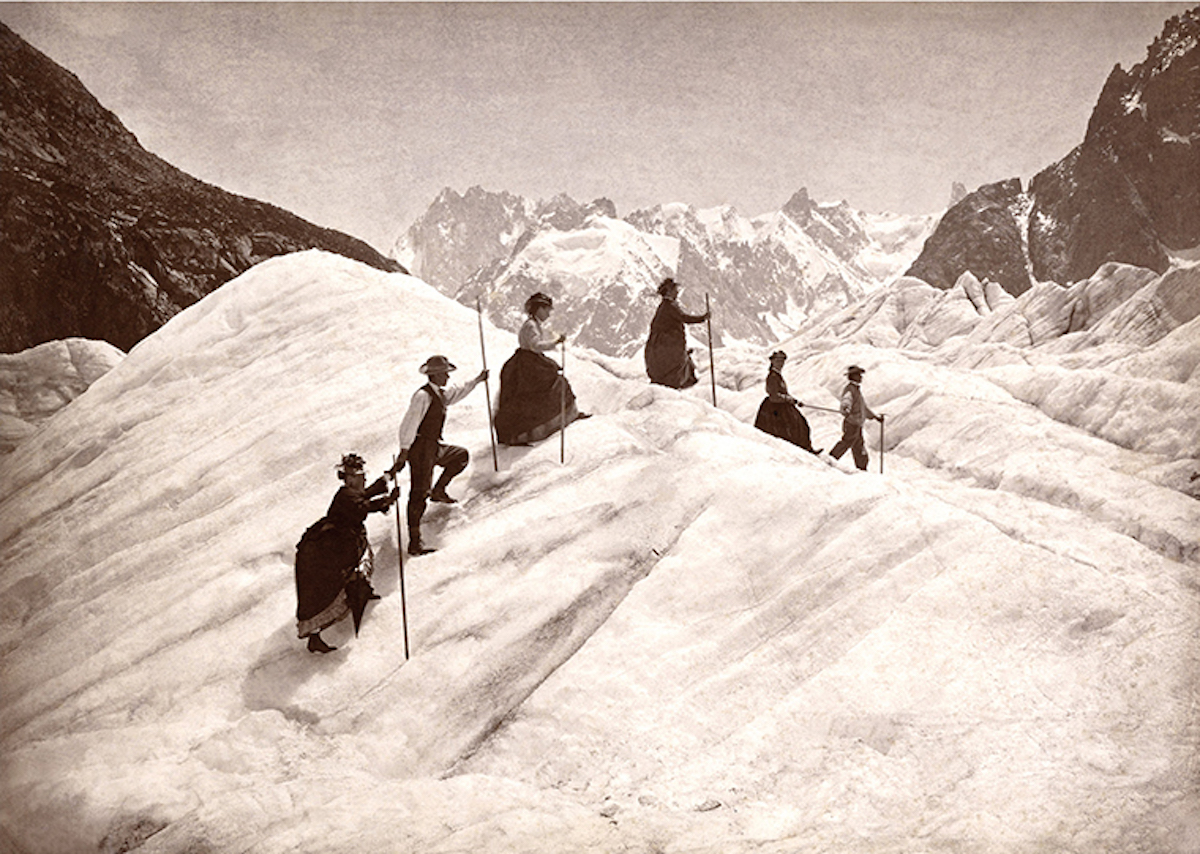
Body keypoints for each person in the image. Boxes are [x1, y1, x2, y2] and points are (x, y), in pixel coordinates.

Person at [294, 453, 398, 653]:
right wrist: (387, 500)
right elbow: (362, 507)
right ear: (350, 478)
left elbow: (364, 495)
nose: (364, 480)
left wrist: (387, 479)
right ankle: (314, 638)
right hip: (327, 551)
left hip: (339, 544)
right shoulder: (346, 495)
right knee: (325, 591)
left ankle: (362, 592)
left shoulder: (349, 493)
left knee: (354, 568)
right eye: (360, 477)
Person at [395, 355, 488, 556]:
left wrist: (477, 381)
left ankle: (438, 491)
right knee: (419, 493)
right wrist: (404, 450)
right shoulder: (422, 396)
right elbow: (409, 424)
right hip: (420, 449)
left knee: (459, 456)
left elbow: (457, 392)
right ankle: (414, 543)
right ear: (435, 375)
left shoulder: (439, 394)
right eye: (445, 373)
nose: (447, 376)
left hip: (433, 446)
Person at [493, 292, 590, 446]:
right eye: (546, 310)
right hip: (529, 365)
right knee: (556, 385)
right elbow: (535, 346)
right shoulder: (531, 325)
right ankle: (561, 419)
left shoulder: (533, 323)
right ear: (538, 309)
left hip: (529, 361)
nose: (548, 314)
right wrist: (556, 342)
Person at [644, 277, 710, 388]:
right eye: (675, 290)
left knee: (681, 367)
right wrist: (703, 318)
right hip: (667, 347)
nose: (677, 292)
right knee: (677, 369)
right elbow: (684, 318)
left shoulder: (665, 307)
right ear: (670, 291)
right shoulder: (669, 306)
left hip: (661, 347)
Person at [753, 351, 822, 454]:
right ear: (772, 362)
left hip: (782, 405)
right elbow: (774, 396)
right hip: (775, 408)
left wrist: (795, 400)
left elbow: (783, 393)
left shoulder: (777, 375)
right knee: (789, 428)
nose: (780, 363)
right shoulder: (772, 376)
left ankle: (805, 449)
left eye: (782, 361)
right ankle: (800, 450)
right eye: (778, 361)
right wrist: (789, 399)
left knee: (800, 424)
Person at [829, 364, 882, 471]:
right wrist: (846, 408)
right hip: (852, 424)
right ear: (853, 377)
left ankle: (862, 468)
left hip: (856, 424)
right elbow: (846, 400)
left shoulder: (856, 390)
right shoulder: (850, 389)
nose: (861, 377)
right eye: (859, 375)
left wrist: (875, 417)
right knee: (847, 442)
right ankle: (830, 459)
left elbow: (864, 409)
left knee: (858, 446)